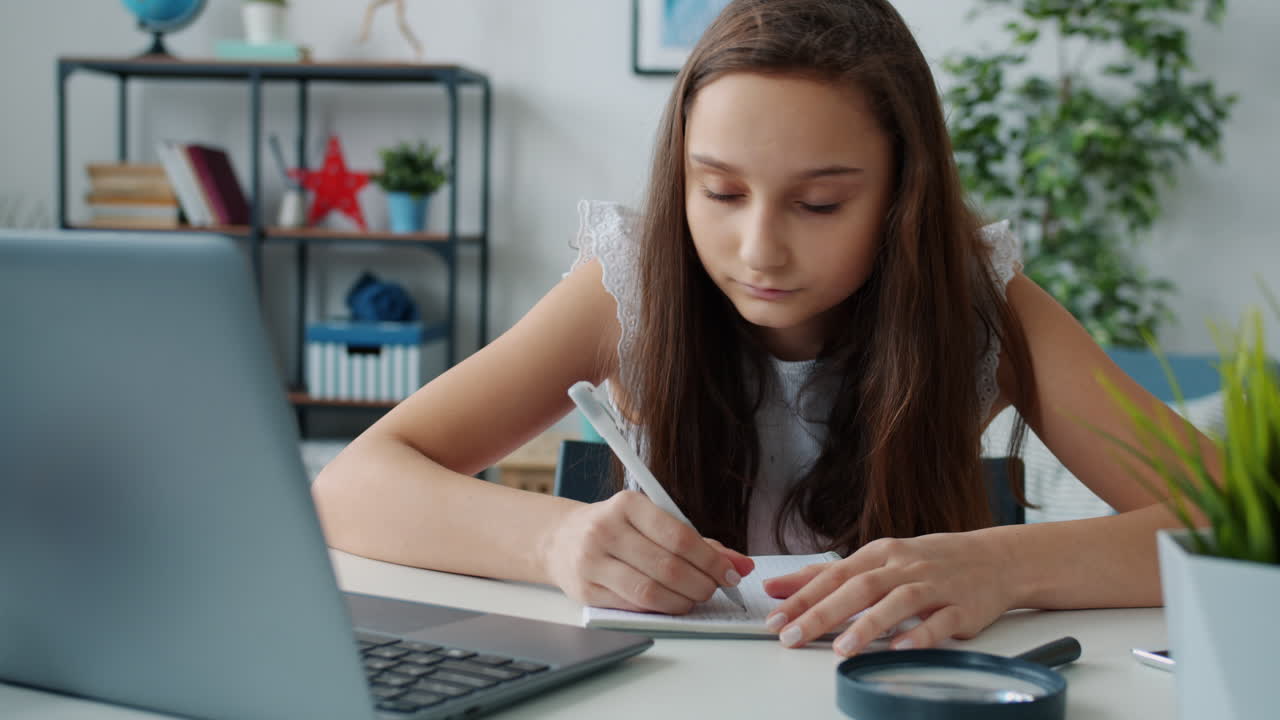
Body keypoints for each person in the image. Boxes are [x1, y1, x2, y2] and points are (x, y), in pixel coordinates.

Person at [313, 0, 1217, 657]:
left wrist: (1004, 567)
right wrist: (552, 541)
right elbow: (351, 485)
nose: (758, 249)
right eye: (721, 191)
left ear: (903, 196)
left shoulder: (980, 303)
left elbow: (1242, 526)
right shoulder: (632, 283)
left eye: (820, 202)